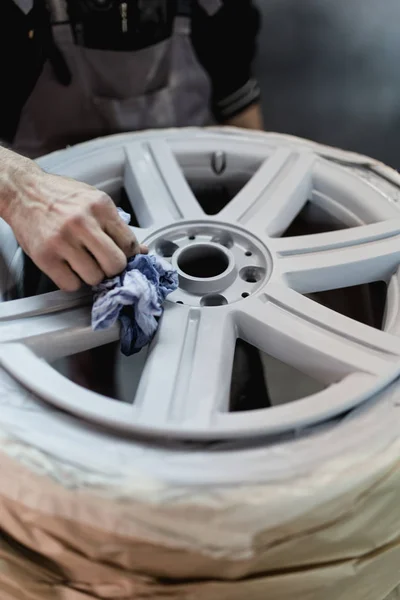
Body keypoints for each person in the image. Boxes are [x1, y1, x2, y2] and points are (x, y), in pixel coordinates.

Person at [0, 0, 268, 404]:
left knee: (229, 366)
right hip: (51, 215)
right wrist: (21, 192)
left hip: (192, 200)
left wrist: (263, 231)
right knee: (80, 382)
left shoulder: (215, 9)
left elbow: (241, 112)